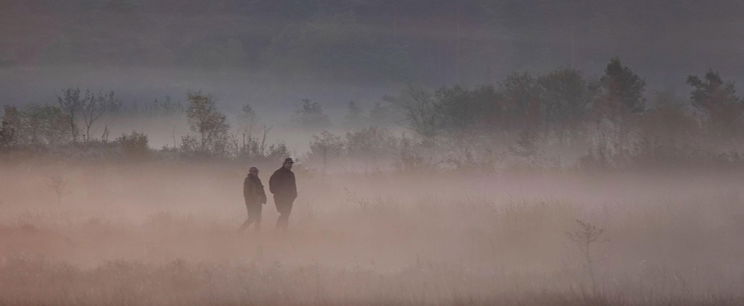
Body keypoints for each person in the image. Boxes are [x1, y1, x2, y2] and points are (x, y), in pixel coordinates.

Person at [269, 158, 297, 230]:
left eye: (291, 164)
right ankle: (278, 229)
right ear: (284, 164)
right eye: (288, 163)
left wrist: (294, 194)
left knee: (286, 214)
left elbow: (293, 185)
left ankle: (283, 230)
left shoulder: (291, 174)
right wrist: (276, 191)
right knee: (284, 213)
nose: (290, 165)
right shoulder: (278, 173)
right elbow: (271, 183)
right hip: (280, 198)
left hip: (289, 198)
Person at [239, 167, 266, 231]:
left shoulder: (258, 180)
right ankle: (240, 230)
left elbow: (261, 190)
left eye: (256, 172)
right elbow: (246, 193)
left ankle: (257, 233)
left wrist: (264, 198)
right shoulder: (248, 180)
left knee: (258, 218)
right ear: (250, 172)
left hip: (259, 201)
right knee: (252, 218)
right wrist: (251, 201)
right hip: (251, 202)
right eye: (254, 172)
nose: (256, 173)